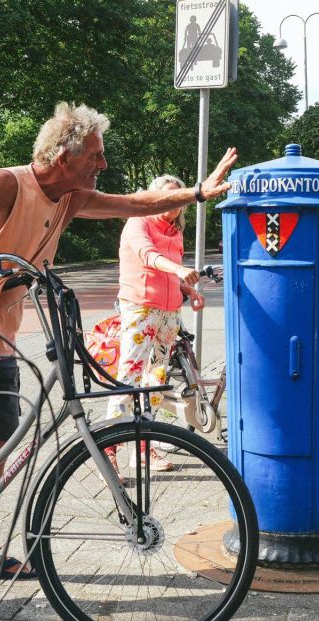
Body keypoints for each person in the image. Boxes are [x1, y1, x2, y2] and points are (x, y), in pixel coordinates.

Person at [0, 102, 237, 620]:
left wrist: (195, 193)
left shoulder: (70, 199)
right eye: (95, 155)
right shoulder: (7, 185)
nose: (101, 165)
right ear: (62, 155)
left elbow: (132, 204)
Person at [105, 174, 204, 473]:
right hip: (141, 309)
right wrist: (179, 269)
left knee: (155, 383)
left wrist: (187, 290)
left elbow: (172, 275)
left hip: (168, 314)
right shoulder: (139, 222)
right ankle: (107, 450)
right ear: (152, 196)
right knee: (129, 379)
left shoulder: (175, 232)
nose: (172, 205)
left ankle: (143, 448)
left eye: (178, 199)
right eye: (166, 197)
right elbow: (147, 256)